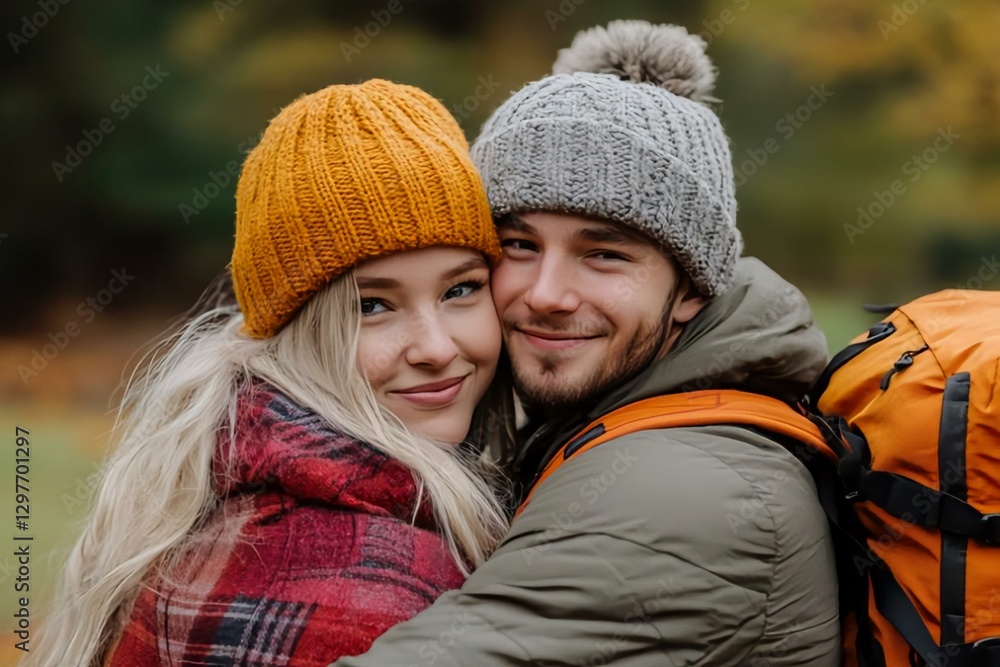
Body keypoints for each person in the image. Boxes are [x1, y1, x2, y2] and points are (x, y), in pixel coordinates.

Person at [333, 20, 840, 666]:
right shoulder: (612, 421)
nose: (546, 293)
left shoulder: (679, 498)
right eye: (518, 245)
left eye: (602, 253)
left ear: (691, 287)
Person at [27, 79, 516, 667]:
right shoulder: (365, 583)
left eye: (461, 289)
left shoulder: (227, 476)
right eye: (372, 305)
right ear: (297, 331)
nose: (436, 348)